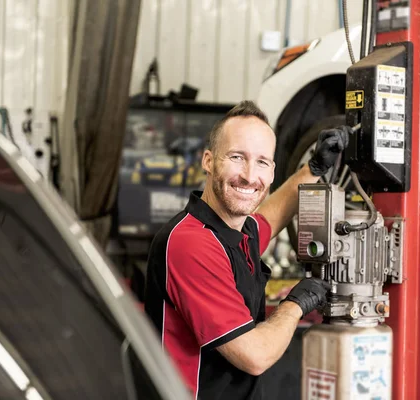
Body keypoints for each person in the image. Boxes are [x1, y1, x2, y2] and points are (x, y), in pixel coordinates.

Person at [134, 100, 351, 399]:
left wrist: (313, 168)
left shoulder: (239, 231)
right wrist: (296, 304)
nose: (250, 176)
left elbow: (271, 216)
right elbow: (255, 355)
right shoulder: (191, 242)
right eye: (237, 157)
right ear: (209, 161)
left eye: (262, 162)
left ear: (273, 171)